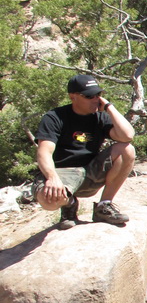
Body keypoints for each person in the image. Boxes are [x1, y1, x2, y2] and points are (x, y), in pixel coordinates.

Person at [33, 74, 136, 229]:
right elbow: (44, 152)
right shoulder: (54, 117)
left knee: (127, 149)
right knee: (48, 200)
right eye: (89, 96)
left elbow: (127, 136)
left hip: (90, 172)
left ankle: (104, 205)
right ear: (72, 97)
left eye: (98, 94)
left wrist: (109, 107)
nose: (95, 99)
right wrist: (52, 177)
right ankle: (69, 204)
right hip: (63, 174)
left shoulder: (100, 117)